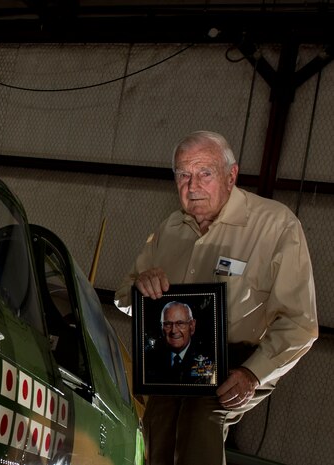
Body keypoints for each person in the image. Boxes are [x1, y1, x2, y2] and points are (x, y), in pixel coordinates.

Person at [114, 130, 318, 465]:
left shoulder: (275, 226)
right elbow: (124, 297)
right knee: (154, 439)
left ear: (231, 175)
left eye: (204, 173)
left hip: (236, 361)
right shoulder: (170, 229)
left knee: (199, 429)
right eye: (183, 175)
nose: (192, 186)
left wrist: (253, 374)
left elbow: (301, 323)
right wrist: (141, 288)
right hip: (170, 362)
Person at [145, 301, 214, 384]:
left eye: (180, 323)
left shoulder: (209, 357)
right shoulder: (150, 359)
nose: (174, 331)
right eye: (167, 324)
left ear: (192, 326)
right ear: (161, 327)